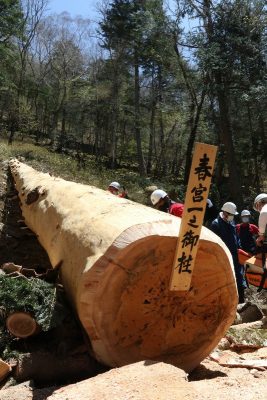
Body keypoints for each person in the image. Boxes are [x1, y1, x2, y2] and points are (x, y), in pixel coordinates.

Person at [210, 201, 247, 303]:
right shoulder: (216, 224)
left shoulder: (231, 222)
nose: (233, 217)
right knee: (228, 280)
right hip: (224, 257)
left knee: (240, 278)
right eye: (231, 214)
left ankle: (241, 302)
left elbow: (236, 237)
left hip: (236, 255)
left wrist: (240, 249)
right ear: (225, 213)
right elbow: (214, 244)